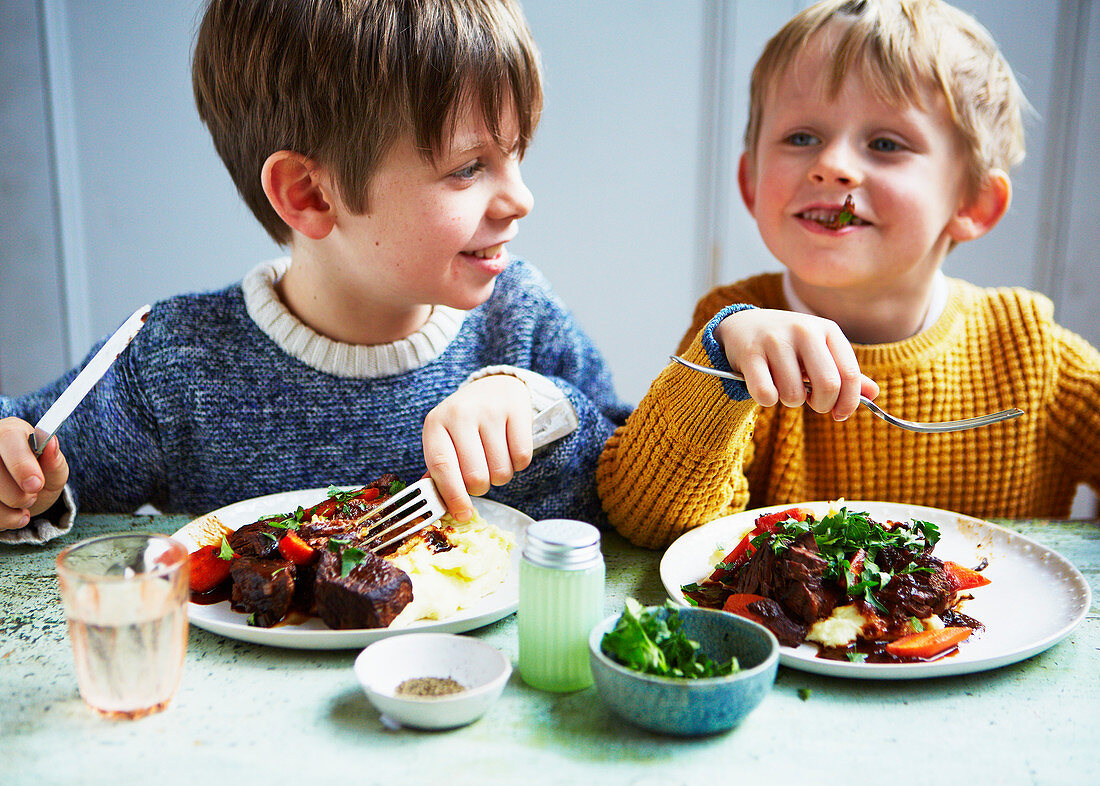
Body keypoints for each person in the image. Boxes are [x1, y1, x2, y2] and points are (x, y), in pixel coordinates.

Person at [0, 0, 629, 545]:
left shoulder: (521, 322)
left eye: (516, 153)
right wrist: (17, 474)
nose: (521, 198)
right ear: (310, 195)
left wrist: (544, 409)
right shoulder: (178, 364)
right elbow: (27, 446)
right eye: (469, 167)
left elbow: (632, 485)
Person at [598, 0, 1100, 549]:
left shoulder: (1030, 352)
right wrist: (724, 358)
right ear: (751, 181)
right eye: (802, 137)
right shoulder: (739, 335)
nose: (832, 164)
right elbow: (648, 522)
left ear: (973, 201)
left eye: (885, 144)